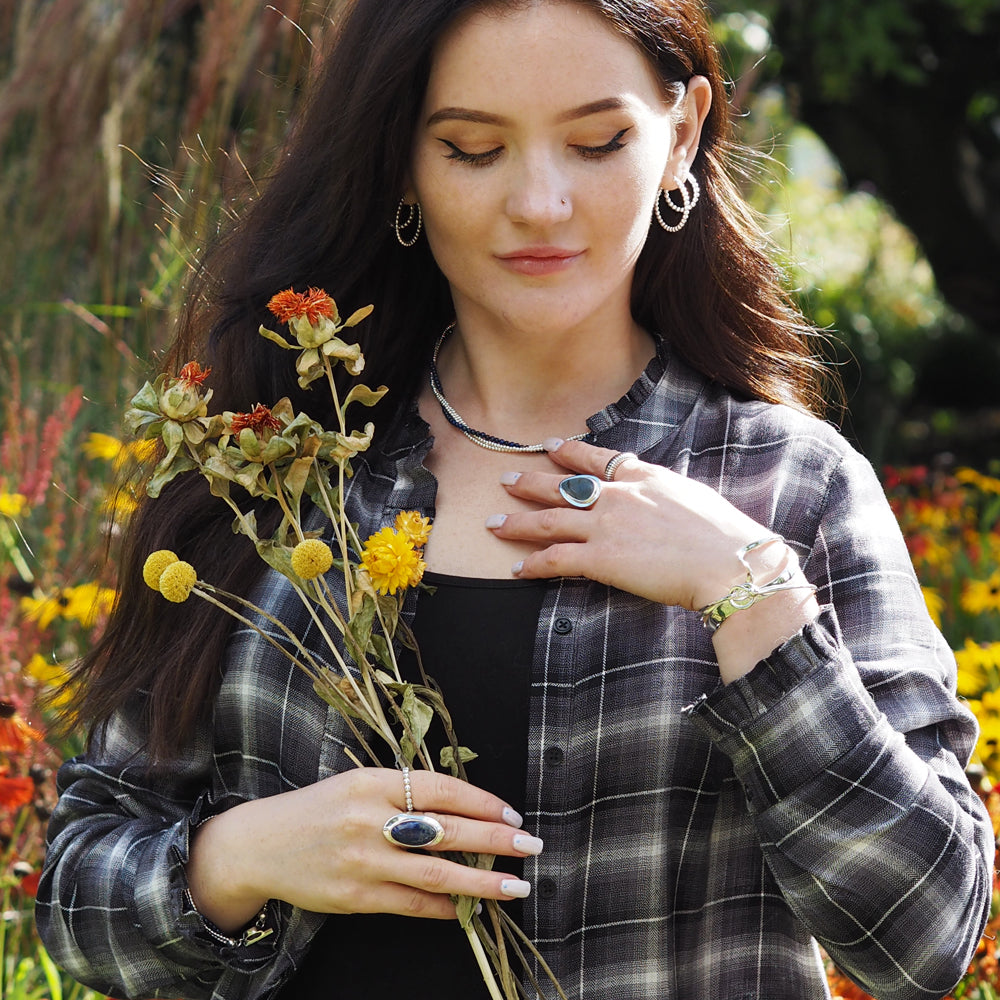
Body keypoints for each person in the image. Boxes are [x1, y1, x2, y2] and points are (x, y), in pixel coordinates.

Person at [37, 0, 993, 998]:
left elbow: (924, 937)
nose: (540, 203)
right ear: (399, 161)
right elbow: (75, 900)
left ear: (683, 134)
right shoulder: (275, 471)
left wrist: (749, 594)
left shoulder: (790, 486)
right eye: (471, 149)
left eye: (595, 141)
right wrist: (238, 858)